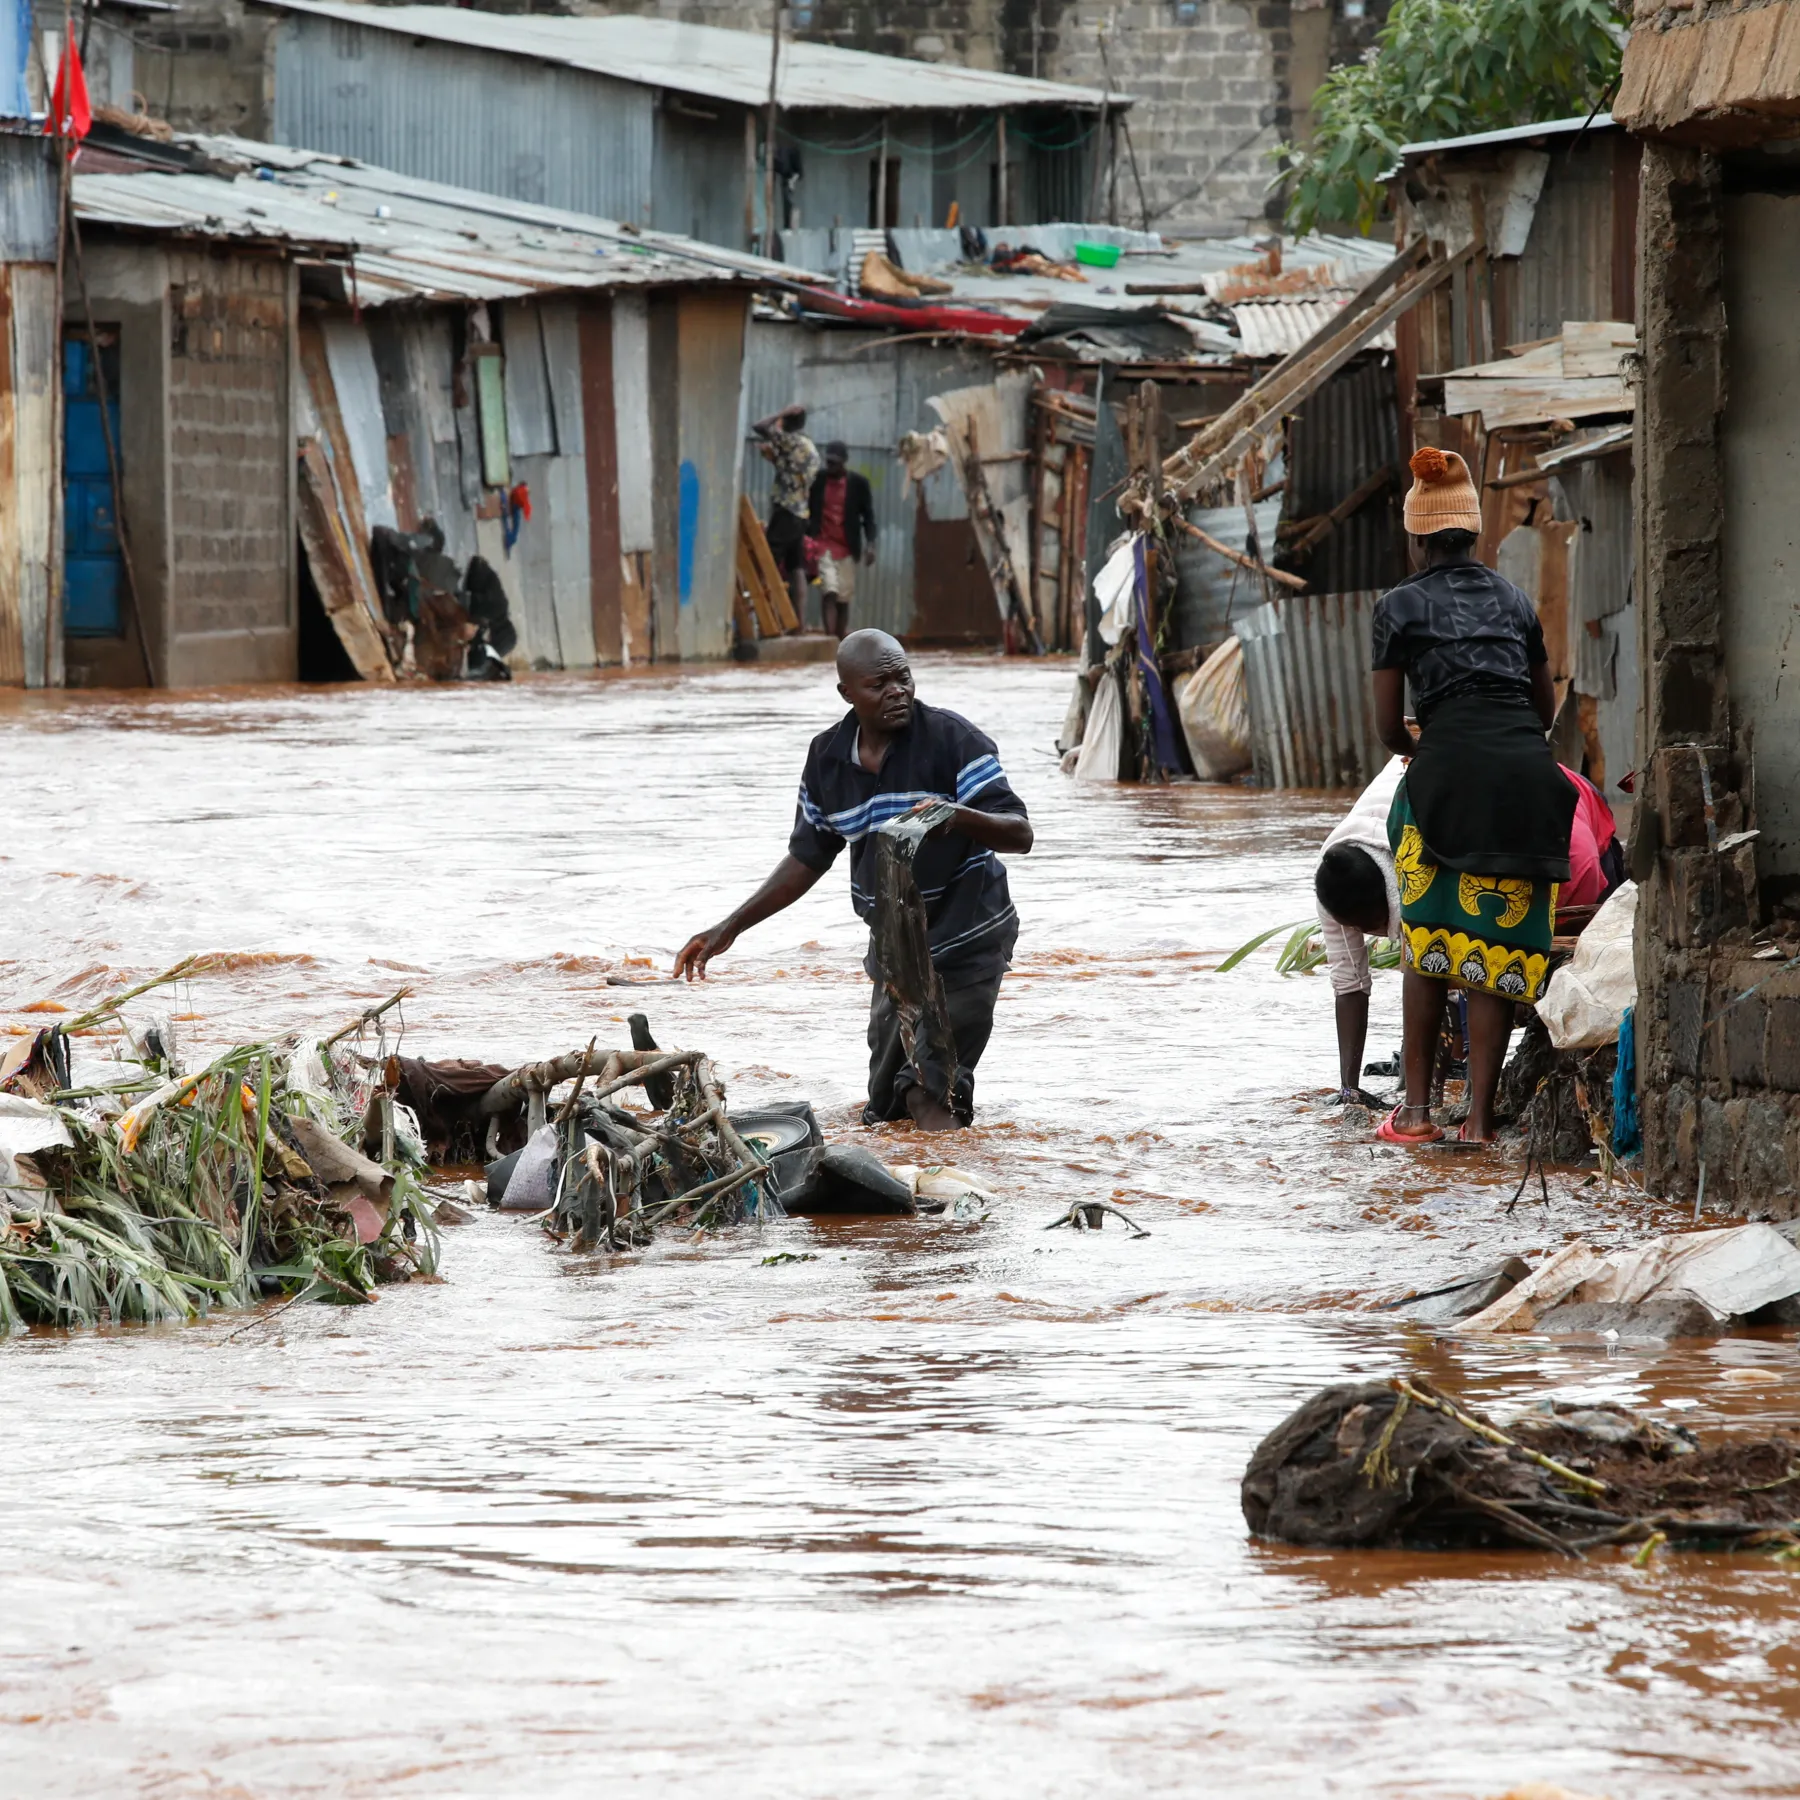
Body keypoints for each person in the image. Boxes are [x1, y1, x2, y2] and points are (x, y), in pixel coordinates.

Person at [673, 629, 1032, 1132]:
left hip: (969, 940)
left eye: (903, 678)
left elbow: (1020, 833)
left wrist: (958, 815)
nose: (897, 691)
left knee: (931, 1090)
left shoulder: (953, 740)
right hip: (895, 954)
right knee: (883, 1111)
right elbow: (806, 857)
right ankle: (891, 1203)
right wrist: (729, 927)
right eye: (879, 684)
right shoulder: (828, 759)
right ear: (847, 693)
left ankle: (954, 1202)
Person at [1369, 445, 1576, 1146]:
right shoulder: (1514, 599)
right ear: (1471, 530)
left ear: (1417, 535)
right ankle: (1481, 1125)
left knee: (1428, 948)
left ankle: (1420, 1116)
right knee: (1496, 958)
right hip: (1527, 779)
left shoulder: (1398, 604)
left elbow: (1387, 730)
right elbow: (1545, 711)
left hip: (1445, 778)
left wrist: (1432, 750)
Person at [1315, 757, 1622, 1111]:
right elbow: (1348, 983)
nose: (1375, 935)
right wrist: (1349, 1090)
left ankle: (1477, 1105)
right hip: (1462, 801)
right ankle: (1464, 1105)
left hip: (1568, 820)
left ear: (1391, 892)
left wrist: (1419, 1098)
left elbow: (1440, 976)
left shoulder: (1416, 869)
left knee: (1558, 978)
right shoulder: (1332, 883)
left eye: (1374, 925)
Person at [753, 403, 819, 622]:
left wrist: (781, 411)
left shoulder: (789, 441)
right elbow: (791, 471)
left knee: (767, 561)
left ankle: (767, 617)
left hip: (786, 512)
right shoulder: (807, 446)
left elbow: (760, 426)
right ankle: (798, 621)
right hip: (801, 513)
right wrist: (772, 457)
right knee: (796, 566)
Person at [807, 440, 877, 641]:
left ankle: (839, 641)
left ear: (844, 463)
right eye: (828, 462)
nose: (830, 467)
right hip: (821, 545)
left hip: (847, 548)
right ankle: (830, 640)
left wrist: (870, 545)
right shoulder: (817, 481)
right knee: (829, 591)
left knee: (843, 599)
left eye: (835, 463)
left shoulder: (858, 484)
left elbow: (869, 517)